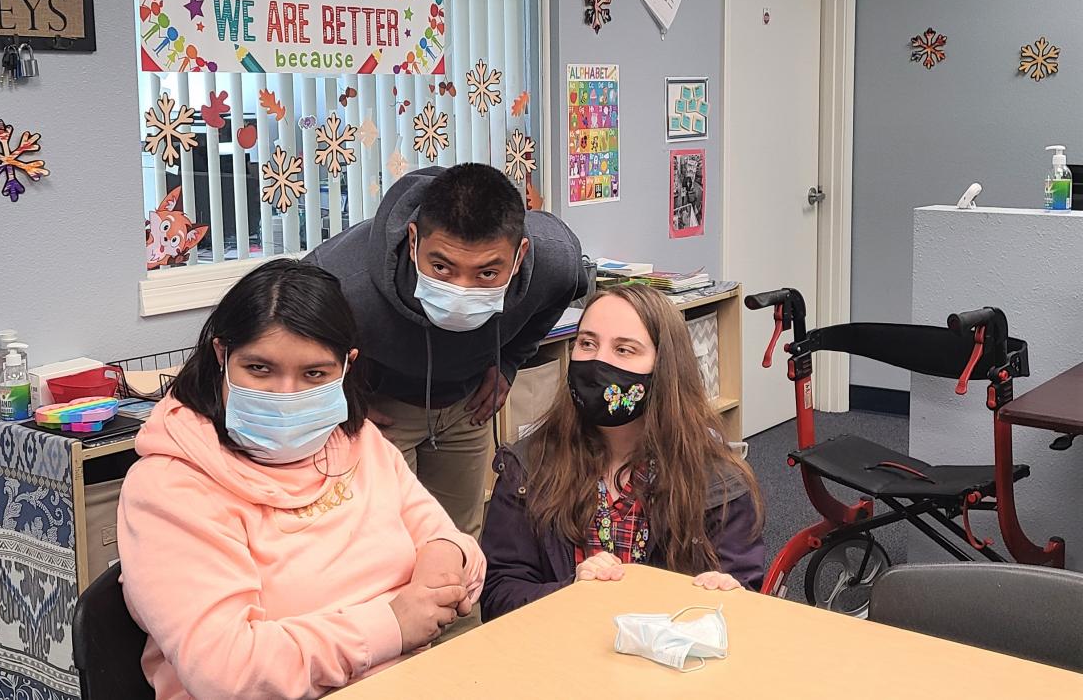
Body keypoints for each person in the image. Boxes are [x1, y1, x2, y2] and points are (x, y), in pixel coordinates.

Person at [117, 259, 486, 699]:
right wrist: (393, 624)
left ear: (346, 367)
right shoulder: (169, 487)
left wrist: (446, 561)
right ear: (222, 355)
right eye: (259, 369)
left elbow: (451, 543)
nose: (286, 394)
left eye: (315, 374)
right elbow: (226, 671)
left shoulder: (356, 442)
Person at [306, 164, 587, 539]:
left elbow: (556, 299)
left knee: (459, 541)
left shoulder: (556, 261)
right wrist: (341, 398)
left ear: (519, 256)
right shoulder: (339, 278)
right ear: (413, 241)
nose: (462, 289)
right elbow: (293, 339)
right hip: (381, 410)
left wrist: (510, 364)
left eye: (486, 274)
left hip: (466, 406)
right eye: (442, 267)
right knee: (389, 545)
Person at [480, 284, 765, 621]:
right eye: (587, 343)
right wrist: (572, 592)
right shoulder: (528, 467)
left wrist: (726, 595)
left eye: (624, 350)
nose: (598, 360)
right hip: (561, 651)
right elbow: (498, 594)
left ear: (664, 367)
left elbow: (744, 594)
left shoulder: (718, 479)